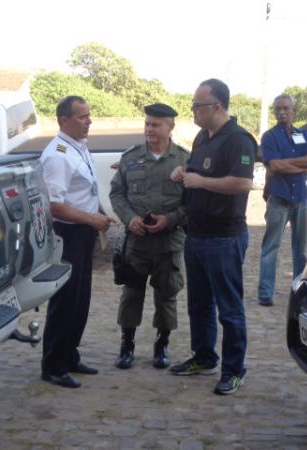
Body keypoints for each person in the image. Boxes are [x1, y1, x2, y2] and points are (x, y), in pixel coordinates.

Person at [170, 79, 257, 395]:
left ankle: (234, 371)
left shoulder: (239, 140)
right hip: (196, 235)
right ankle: (204, 357)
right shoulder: (201, 138)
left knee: (229, 309)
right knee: (199, 304)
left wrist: (201, 181)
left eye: (197, 105)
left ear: (216, 107)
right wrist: (183, 173)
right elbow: (197, 173)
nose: (192, 110)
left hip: (224, 238)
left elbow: (242, 184)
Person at [39, 95, 114, 388]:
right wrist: (91, 219)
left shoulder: (77, 147)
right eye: (82, 116)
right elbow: (55, 205)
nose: (89, 120)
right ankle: (53, 365)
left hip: (83, 231)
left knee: (81, 299)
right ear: (64, 120)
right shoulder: (58, 154)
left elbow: (84, 191)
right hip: (67, 234)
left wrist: (99, 212)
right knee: (66, 300)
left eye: (89, 115)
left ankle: (70, 355)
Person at [109, 103, 190, 370]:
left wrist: (171, 219)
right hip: (137, 242)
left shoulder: (185, 161)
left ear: (170, 127)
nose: (149, 129)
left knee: (167, 295)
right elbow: (117, 193)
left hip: (169, 243)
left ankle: (161, 345)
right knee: (131, 293)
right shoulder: (130, 157)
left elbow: (193, 203)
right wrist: (130, 218)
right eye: (147, 124)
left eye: (156, 124)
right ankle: (127, 345)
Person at [257, 94, 307, 306]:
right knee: (270, 247)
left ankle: (298, 291)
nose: (281, 112)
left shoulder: (304, 134)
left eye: (285, 108)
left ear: (293, 111)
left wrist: (287, 164)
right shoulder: (269, 137)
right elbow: (274, 166)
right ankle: (265, 293)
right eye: (278, 109)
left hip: (301, 198)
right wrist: (301, 167)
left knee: (300, 248)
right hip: (279, 198)